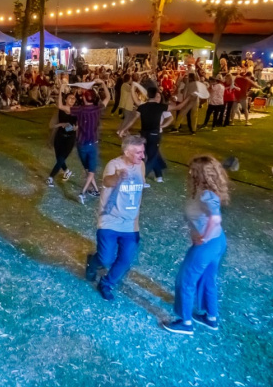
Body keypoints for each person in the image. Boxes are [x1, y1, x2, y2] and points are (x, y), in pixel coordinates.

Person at [162, 155, 229, 335]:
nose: (189, 172)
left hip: (207, 246)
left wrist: (203, 237)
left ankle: (185, 322)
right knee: (208, 279)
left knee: (185, 281)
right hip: (218, 242)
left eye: (193, 170)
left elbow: (215, 218)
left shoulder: (207, 194)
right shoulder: (205, 189)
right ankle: (211, 318)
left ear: (200, 174)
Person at [84, 135, 146, 301]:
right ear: (126, 152)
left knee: (125, 261)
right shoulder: (114, 165)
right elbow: (107, 181)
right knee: (106, 259)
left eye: (143, 152)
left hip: (130, 225)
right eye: (138, 152)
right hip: (110, 220)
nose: (143, 156)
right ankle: (93, 262)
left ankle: (106, 283)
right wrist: (118, 177)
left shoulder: (141, 166)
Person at [118, 81, 194, 182]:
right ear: (155, 95)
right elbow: (179, 107)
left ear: (147, 95)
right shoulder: (160, 107)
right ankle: (141, 178)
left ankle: (159, 175)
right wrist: (189, 97)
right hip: (154, 135)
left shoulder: (142, 107)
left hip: (143, 135)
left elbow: (133, 120)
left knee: (152, 154)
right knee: (152, 157)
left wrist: (123, 129)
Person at [57, 81, 111, 204]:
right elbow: (108, 97)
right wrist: (102, 83)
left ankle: (96, 190)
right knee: (91, 171)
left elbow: (60, 106)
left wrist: (61, 90)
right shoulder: (98, 108)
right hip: (92, 143)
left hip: (81, 144)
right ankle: (82, 193)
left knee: (88, 169)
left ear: (84, 99)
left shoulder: (79, 110)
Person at [46, 92, 77, 187]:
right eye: (70, 98)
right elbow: (52, 125)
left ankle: (50, 177)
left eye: (74, 98)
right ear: (65, 100)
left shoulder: (77, 111)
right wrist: (61, 124)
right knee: (59, 157)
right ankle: (67, 171)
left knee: (61, 158)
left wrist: (76, 127)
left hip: (70, 138)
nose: (72, 99)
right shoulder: (60, 110)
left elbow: (80, 124)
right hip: (59, 136)